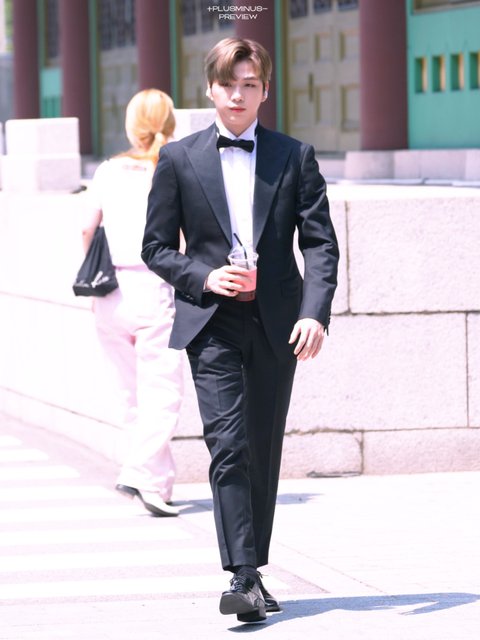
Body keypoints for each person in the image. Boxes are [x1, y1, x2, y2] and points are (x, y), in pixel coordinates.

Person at [142, 38, 339, 620]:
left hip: (278, 323)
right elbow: (155, 247)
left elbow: (320, 243)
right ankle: (243, 575)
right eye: (228, 84)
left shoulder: (294, 156)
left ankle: (254, 569)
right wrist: (204, 277)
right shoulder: (178, 159)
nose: (237, 94)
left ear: (265, 91)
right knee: (227, 443)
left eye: (249, 84)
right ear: (210, 89)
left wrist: (314, 311)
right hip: (212, 323)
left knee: (262, 446)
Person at [82, 89, 183, 517]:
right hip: (153, 285)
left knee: (133, 398)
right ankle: (139, 472)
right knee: (164, 392)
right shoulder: (169, 167)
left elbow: (86, 228)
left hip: (110, 290)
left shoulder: (107, 170)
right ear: (169, 123)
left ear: (130, 125)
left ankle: (157, 485)